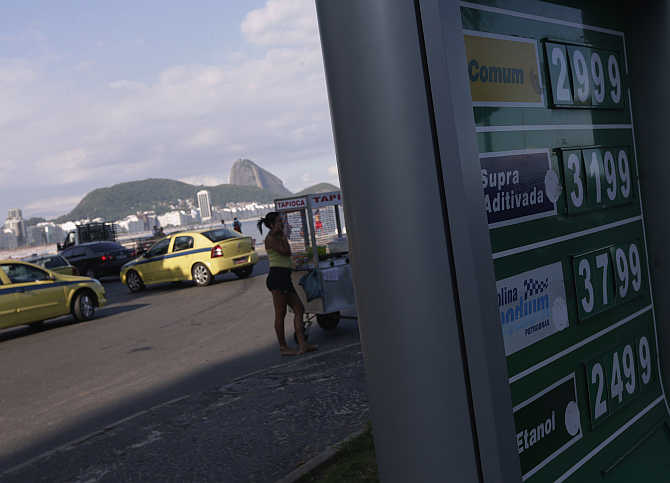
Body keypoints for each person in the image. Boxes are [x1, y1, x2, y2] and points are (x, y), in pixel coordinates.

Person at [258, 212, 317, 356]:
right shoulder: (271, 238)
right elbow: (286, 251)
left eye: (281, 221)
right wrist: (284, 236)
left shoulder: (278, 236)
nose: (282, 224)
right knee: (280, 313)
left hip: (285, 277)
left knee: (299, 309)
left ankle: (303, 344)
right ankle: (283, 347)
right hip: (277, 278)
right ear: (271, 225)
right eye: (279, 222)